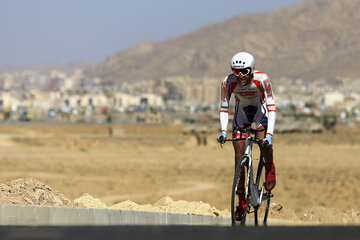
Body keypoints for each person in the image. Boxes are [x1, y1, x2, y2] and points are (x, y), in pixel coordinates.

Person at [216, 52, 276, 219]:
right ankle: (241, 202)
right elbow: (223, 108)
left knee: (263, 143)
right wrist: (222, 131)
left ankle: (270, 166)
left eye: (244, 71)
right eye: (236, 71)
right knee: (238, 156)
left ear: (252, 70)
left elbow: (271, 107)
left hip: (260, 114)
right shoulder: (227, 82)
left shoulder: (262, 79)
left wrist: (269, 135)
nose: (240, 76)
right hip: (241, 116)